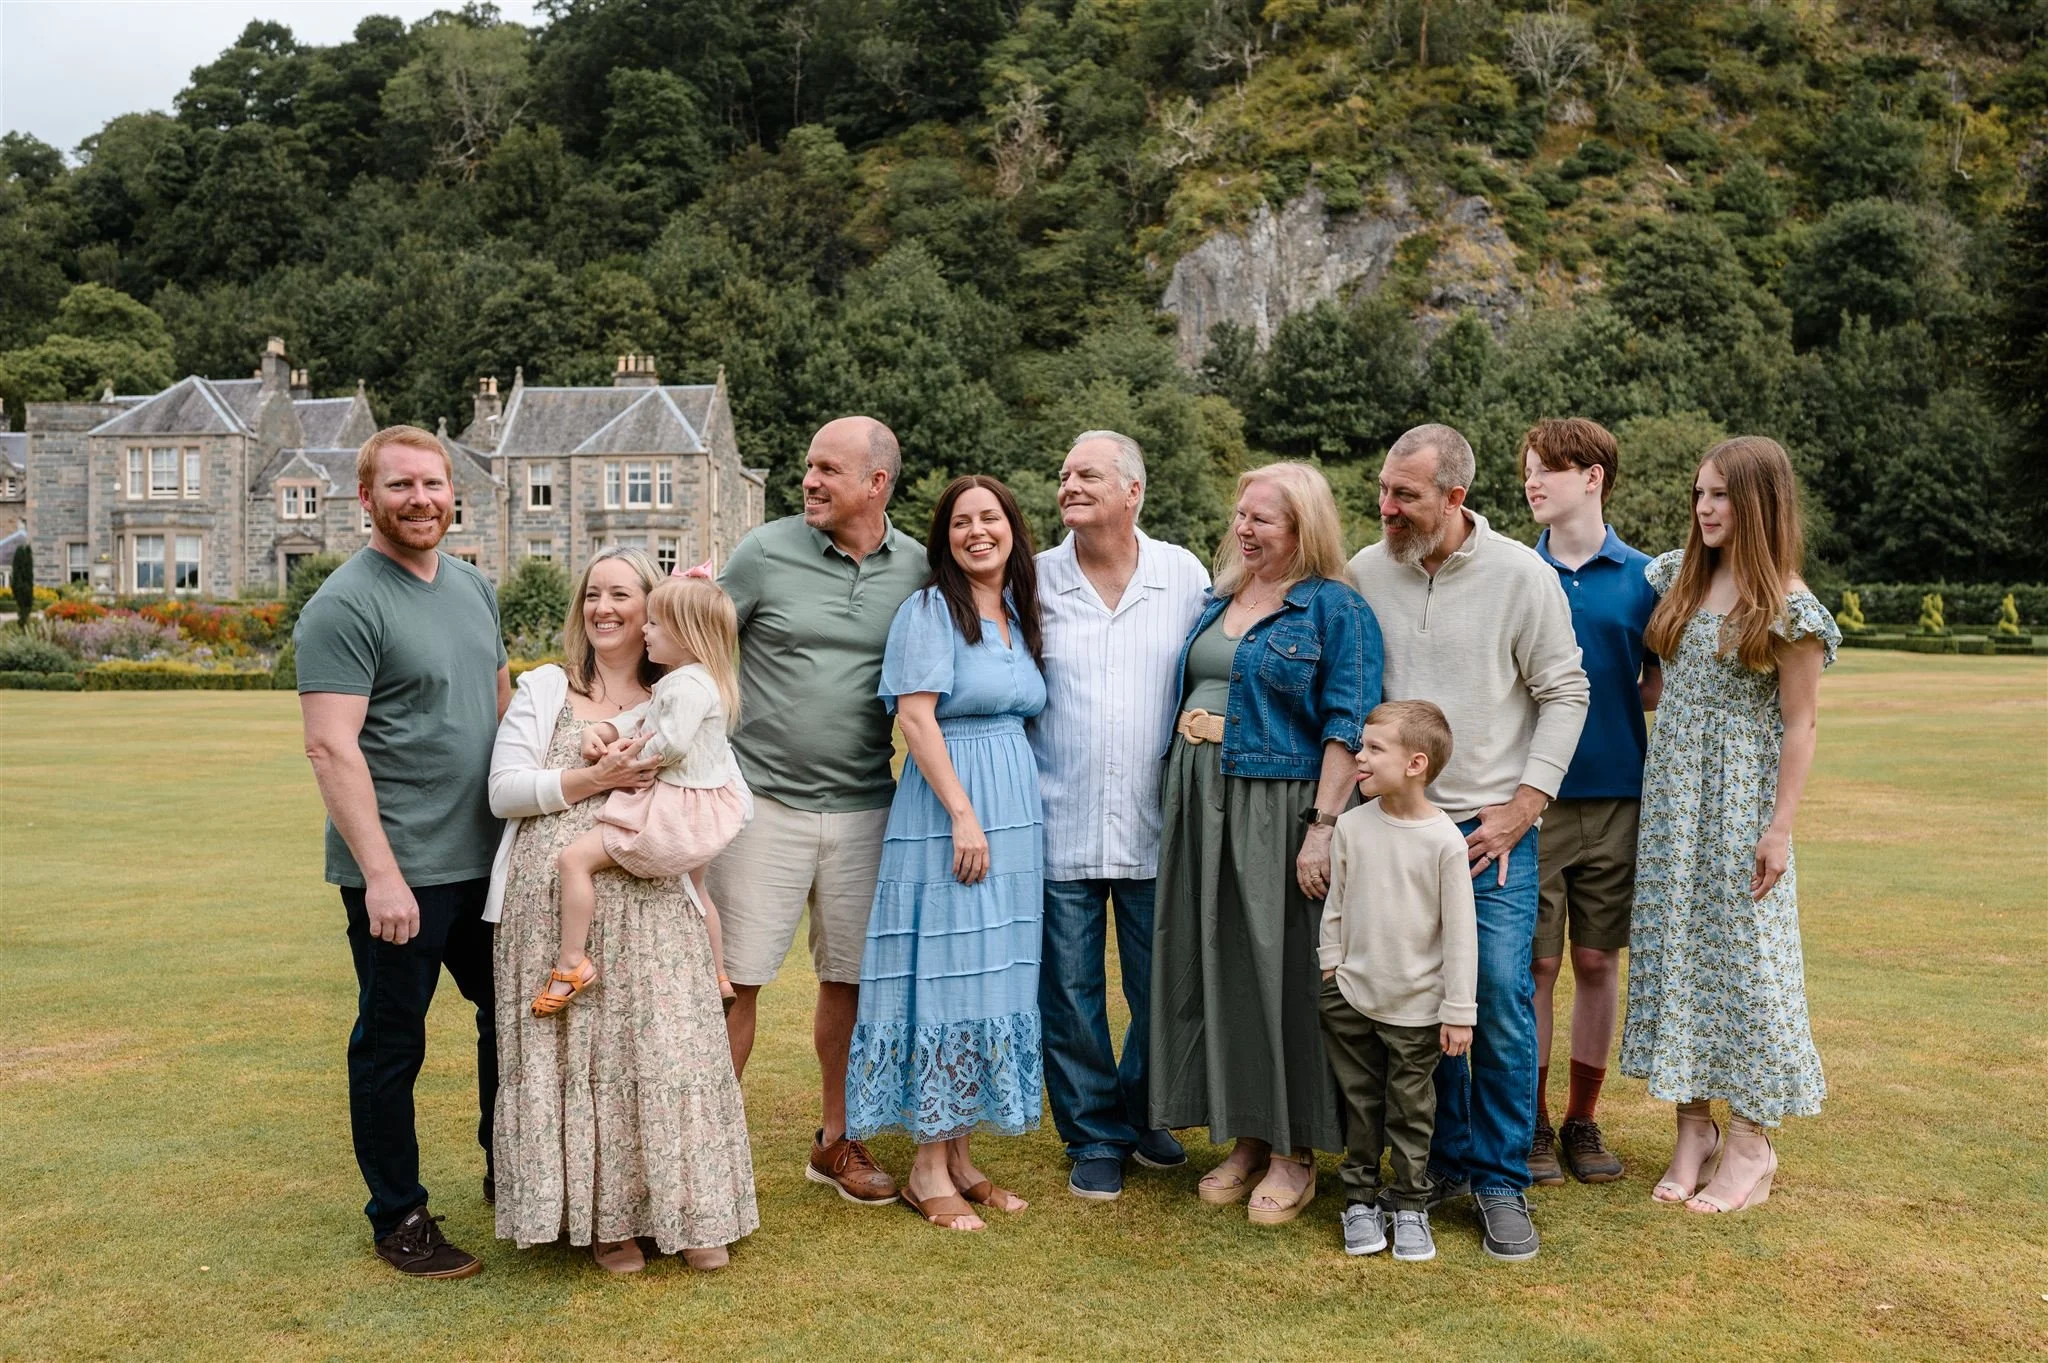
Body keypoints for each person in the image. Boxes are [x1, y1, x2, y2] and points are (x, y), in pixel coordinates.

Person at [1348, 423, 1588, 1263]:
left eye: (1404, 495)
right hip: (1390, 831)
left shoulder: (1523, 576)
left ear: (1454, 497)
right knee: (1414, 1004)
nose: (1386, 506)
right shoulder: (1365, 569)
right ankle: (1434, 1166)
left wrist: (1526, 803)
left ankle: (1498, 1179)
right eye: (1383, 489)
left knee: (1492, 997)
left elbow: (1566, 690)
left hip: (1487, 833)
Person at [486, 547, 758, 1274]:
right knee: (586, 1058)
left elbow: (726, 793)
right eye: (592, 595)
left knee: (668, 1050)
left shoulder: (682, 690)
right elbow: (504, 790)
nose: (603, 608)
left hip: (651, 891)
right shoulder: (547, 687)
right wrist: (593, 776)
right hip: (558, 895)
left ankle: (691, 1207)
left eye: (621, 595)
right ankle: (608, 1222)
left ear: (654, 611)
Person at [296, 425, 511, 1279]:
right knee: (393, 1044)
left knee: (515, 1025)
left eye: (433, 484)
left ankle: (514, 1166)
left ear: (453, 490)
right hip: (400, 873)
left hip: (485, 861)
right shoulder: (345, 604)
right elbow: (330, 747)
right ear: (366, 499)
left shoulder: (474, 587)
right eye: (400, 487)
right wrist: (381, 875)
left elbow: (500, 711)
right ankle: (400, 1215)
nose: (420, 500)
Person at [1151, 462, 1381, 1228]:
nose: (1245, 529)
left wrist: (1322, 827)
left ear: (1303, 529)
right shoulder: (1218, 599)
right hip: (1201, 800)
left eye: (1265, 520)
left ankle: (1295, 1153)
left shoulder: (1334, 608)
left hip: (1276, 806)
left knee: (1281, 974)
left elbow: (1348, 721)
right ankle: (1248, 1137)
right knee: (1219, 968)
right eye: (1242, 515)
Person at [709, 416, 927, 1207]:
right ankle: (698, 1147)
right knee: (733, 980)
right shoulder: (764, 552)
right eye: (807, 465)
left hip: (870, 806)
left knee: (851, 981)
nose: (808, 480)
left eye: (827, 469)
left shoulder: (919, 569)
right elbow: (694, 642)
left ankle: (836, 1141)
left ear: (876, 483)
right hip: (760, 802)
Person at [1623, 436, 1838, 1216]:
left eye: (1719, 496)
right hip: (1672, 806)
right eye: (1699, 493)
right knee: (1678, 958)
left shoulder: (1789, 608)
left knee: (1748, 969)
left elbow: (1801, 726)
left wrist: (1779, 829)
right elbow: (1660, 682)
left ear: (1757, 503)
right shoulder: (1676, 580)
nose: (1704, 508)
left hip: (1740, 808)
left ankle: (1752, 1139)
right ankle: (1693, 1131)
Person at [843, 475, 1049, 1232]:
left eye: (989, 518)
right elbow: (917, 718)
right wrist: (964, 814)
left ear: (1011, 528)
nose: (976, 532)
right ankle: (926, 1168)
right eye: (961, 522)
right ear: (945, 538)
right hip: (951, 810)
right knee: (948, 972)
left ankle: (961, 1156)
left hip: (1014, 813)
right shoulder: (930, 611)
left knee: (993, 974)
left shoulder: (1018, 612)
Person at [1029, 431, 1210, 1202]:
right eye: (1065, 473)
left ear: (1133, 490)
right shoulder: (1032, 579)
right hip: (1055, 812)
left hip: (1154, 819)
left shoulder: (1183, 574)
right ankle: (1093, 1134)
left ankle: (1141, 1111)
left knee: (1163, 988)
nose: (1069, 483)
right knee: (1069, 993)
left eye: (1088, 474)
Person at [1519, 419, 1662, 1187]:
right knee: (1536, 963)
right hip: (1532, 800)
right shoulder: (1513, 570)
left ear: (1594, 477)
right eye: (1529, 470)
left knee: (1598, 959)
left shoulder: (1646, 577)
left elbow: (1657, 678)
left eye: (1549, 469)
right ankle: (1533, 1123)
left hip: (1617, 797)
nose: (1533, 482)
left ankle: (1582, 1119)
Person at [537, 570, 749, 1017]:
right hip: (703, 806)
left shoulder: (688, 686)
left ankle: (571, 963)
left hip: (675, 809)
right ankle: (717, 973)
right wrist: (608, 731)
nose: (645, 631)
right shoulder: (693, 681)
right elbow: (644, 716)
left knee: (574, 860)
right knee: (696, 889)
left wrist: (627, 758)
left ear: (685, 634)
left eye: (654, 623)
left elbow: (669, 741)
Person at [1319, 701, 1477, 1264]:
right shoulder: (1354, 826)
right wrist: (1329, 964)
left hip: (1418, 1008)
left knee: (1411, 1108)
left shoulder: (1445, 841)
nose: (1359, 756)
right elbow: (1337, 902)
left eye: (1373, 749)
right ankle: (1359, 1200)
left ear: (1415, 763)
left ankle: (1409, 1204)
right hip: (1352, 995)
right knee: (1361, 1102)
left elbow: (1460, 933)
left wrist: (1459, 1010)